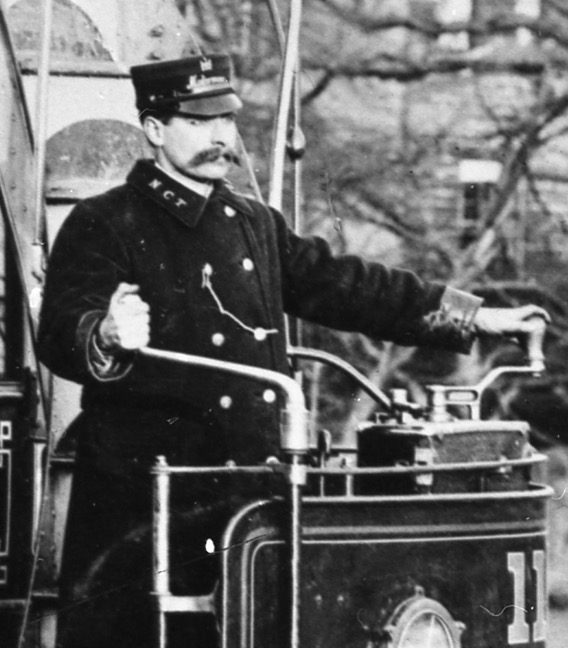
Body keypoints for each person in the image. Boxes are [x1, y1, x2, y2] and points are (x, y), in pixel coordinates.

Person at [38, 54, 549, 648]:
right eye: (200, 122)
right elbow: (59, 332)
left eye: (226, 120)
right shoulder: (106, 222)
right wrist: (104, 333)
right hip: (147, 511)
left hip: (252, 500)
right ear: (154, 129)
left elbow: (352, 288)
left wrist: (478, 315)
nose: (222, 136)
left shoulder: (253, 221)